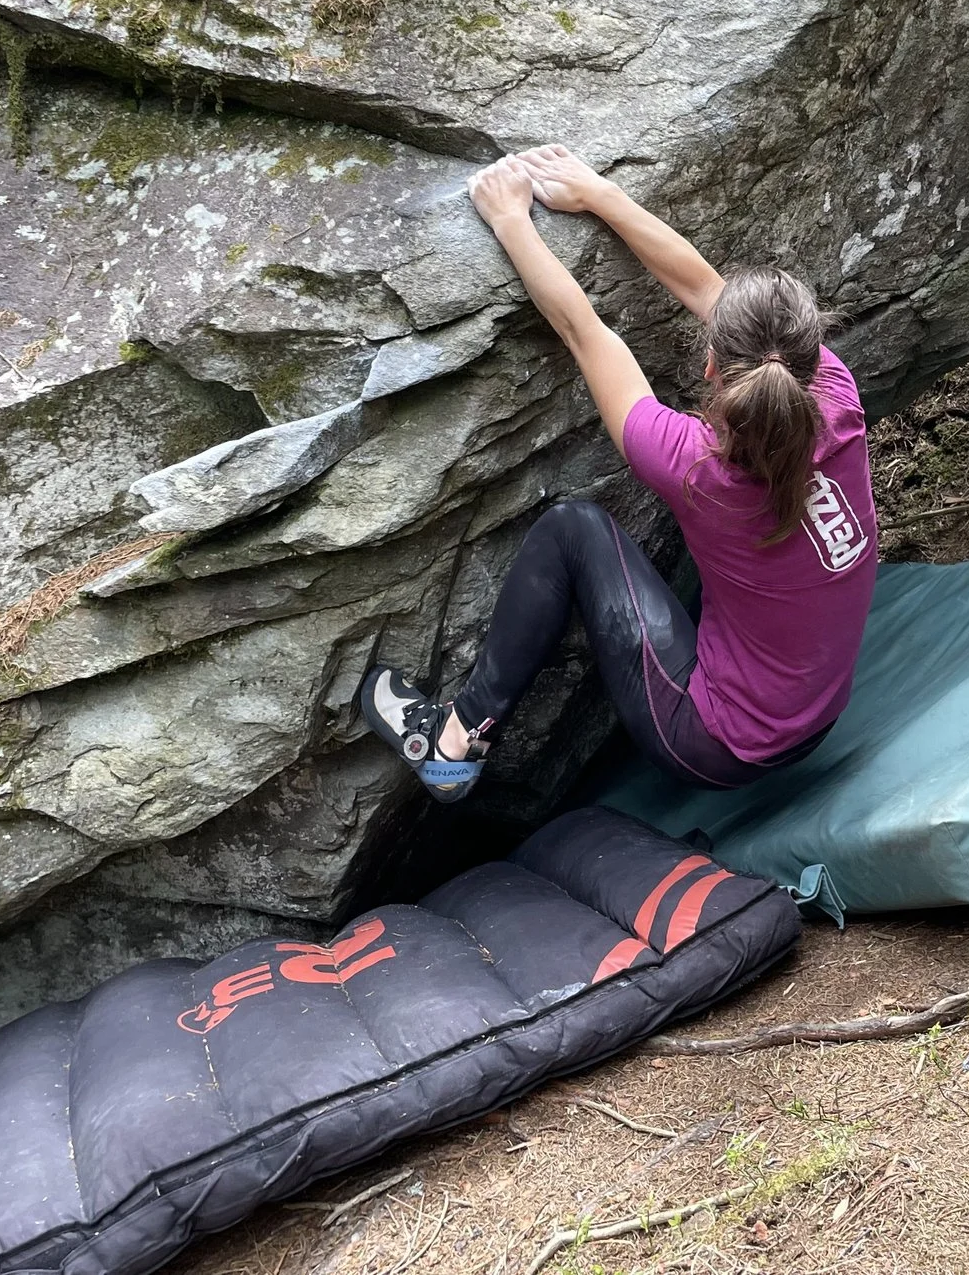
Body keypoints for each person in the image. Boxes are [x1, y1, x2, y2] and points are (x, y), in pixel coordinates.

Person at [359, 146, 879, 803]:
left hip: (716, 742)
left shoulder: (696, 465)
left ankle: (453, 744)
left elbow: (584, 332)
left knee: (572, 529)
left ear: (712, 366)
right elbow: (708, 294)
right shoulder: (832, 387)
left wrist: (510, 219)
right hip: (816, 714)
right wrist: (599, 195)